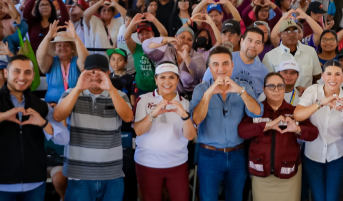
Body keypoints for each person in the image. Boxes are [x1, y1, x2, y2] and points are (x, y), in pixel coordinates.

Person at [53, 52, 135, 201]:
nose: (96, 76)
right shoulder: (70, 93)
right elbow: (58, 116)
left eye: (101, 72)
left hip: (112, 173)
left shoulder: (119, 95)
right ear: (84, 72)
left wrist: (110, 89)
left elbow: (128, 117)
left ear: (108, 73)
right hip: (79, 173)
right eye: (91, 72)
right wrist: (78, 88)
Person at [0, 54, 70, 201]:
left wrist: (44, 124)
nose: (22, 77)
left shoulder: (41, 106)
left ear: (33, 76)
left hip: (35, 184)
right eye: (16, 71)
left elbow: (64, 138)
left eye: (27, 72)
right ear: (6, 73)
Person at [190, 46, 264, 201]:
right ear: (210, 67)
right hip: (209, 155)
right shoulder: (200, 89)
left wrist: (241, 92)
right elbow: (196, 119)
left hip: (238, 154)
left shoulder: (243, 87)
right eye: (215, 64)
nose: (220, 68)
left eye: (225, 63)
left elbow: (257, 112)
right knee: (208, 198)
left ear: (232, 66)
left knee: (236, 197)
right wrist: (208, 94)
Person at [238, 71, 318, 201]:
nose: (276, 90)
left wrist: (297, 129)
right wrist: (267, 125)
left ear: (284, 88)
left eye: (280, 86)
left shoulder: (294, 112)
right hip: (261, 174)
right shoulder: (256, 111)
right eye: (271, 86)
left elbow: (313, 133)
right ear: (264, 89)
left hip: (289, 174)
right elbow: (242, 131)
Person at [292, 64, 343, 201]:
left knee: (332, 198)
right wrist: (322, 103)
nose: (333, 78)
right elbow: (298, 115)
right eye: (328, 74)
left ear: (342, 78)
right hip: (312, 154)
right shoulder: (312, 91)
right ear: (322, 76)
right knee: (318, 197)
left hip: (337, 155)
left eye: (337, 74)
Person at [132, 63, 195, 201]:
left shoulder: (185, 103)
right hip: (148, 163)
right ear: (156, 80)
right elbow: (138, 130)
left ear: (177, 80)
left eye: (172, 77)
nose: (167, 82)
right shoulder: (144, 99)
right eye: (162, 77)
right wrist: (154, 113)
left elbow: (190, 136)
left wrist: (184, 115)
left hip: (177, 163)